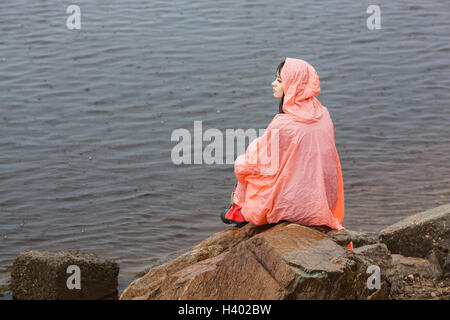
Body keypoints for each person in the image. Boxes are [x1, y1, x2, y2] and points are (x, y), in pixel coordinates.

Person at [221, 57, 346, 231]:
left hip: (294, 204)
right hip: (322, 199)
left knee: (245, 165)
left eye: (279, 80)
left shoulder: (284, 124)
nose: (273, 83)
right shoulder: (323, 114)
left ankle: (238, 213)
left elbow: (258, 163)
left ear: (293, 84)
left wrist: (245, 156)